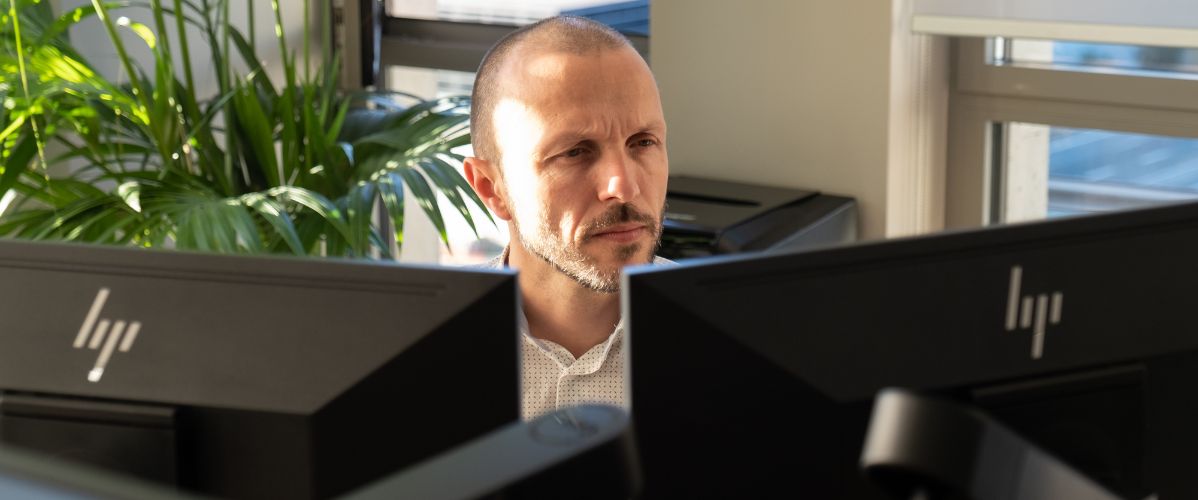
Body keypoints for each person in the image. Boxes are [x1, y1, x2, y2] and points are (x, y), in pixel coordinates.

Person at [463, 15, 672, 420]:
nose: (624, 186)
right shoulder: (425, 354)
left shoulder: (742, 343)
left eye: (643, 142)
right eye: (576, 151)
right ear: (492, 188)